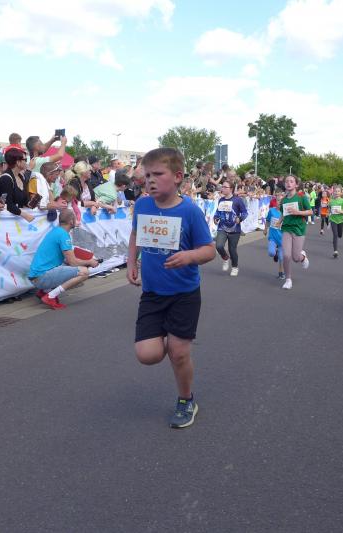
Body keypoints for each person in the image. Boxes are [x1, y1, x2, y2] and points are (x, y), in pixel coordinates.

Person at [126, 147, 215, 429]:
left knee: (178, 353)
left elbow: (209, 250)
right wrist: (131, 262)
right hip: (152, 293)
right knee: (148, 354)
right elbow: (135, 234)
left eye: (157, 174)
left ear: (177, 177)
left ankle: (186, 399)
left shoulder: (190, 211)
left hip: (184, 294)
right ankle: (170, 337)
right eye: (147, 175)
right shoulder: (143, 205)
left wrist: (190, 256)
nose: (150, 180)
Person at [28, 209, 99, 310]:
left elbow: (67, 261)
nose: (77, 221)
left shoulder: (56, 231)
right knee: (84, 272)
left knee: (75, 267)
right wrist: (90, 262)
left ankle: (44, 291)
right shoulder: (64, 235)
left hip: (36, 276)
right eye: (75, 219)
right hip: (41, 277)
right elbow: (73, 262)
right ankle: (50, 296)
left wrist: (85, 262)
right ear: (71, 221)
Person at [279, 175, 312, 289]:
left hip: (298, 228)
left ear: (296, 184)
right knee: (286, 255)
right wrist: (279, 222)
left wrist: (298, 212)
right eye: (286, 181)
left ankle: (302, 257)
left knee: (295, 258)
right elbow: (283, 213)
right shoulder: (283, 199)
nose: (288, 183)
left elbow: (310, 212)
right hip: (286, 228)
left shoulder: (301, 197)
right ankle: (288, 279)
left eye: (291, 181)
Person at [213, 180, 248, 276]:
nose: (222, 189)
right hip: (222, 227)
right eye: (222, 187)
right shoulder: (221, 200)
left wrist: (240, 218)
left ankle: (235, 267)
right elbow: (218, 212)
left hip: (234, 229)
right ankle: (225, 258)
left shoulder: (237, 200)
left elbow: (245, 212)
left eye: (225, 187)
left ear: (231, 189)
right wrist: (215, 218)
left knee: (232, 250)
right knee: (219, 246)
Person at [0, 148, 34, 222]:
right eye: (25, 160)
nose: (27, 162)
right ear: (18, 162)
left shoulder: (21, 177)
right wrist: (25, 215)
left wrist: (30, 203)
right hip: (5, 221)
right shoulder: (6, 178)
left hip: (16, 221)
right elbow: (8, 204)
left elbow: (23, 200)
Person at [264, 193, 285, 280]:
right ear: (276, 202)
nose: (279, 203)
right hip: (272, 237)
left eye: (281, 202)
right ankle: (275, 252)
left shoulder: (285, 214)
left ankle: (281, 272)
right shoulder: (271, 211)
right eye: (278, 201)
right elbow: (268, 220)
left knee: (281, 257)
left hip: (282, 238)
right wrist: (265, 229)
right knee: (271, 253)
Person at [328, 187, 343, 258]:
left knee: (340, 235)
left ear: (340, 193)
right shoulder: (331, 201)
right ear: (333, 192)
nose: (337, 192)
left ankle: (339, 236)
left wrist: (340, 211)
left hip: (340, 220)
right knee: (335, 235)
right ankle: (335, 251)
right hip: (333, 219)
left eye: (338, 191)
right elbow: (329, 209)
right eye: (335, 191)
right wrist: (328, 213)